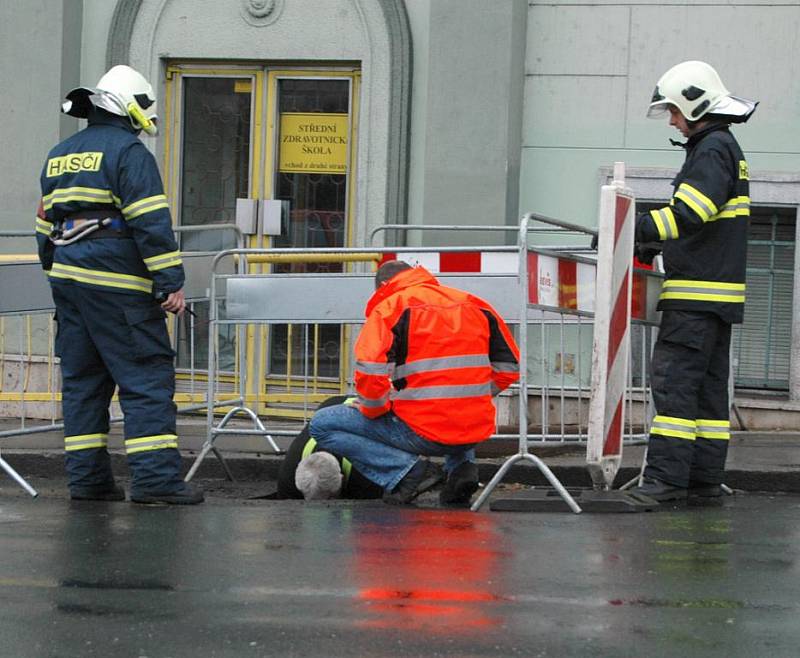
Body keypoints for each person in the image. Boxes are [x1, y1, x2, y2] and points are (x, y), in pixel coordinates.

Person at [37, 65, 203, 504]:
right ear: (129, 105)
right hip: (119, 287)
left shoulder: (60, 153)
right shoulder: (129, 153)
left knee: (84, 384)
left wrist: (57, 271)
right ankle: (156, 482)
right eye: (145, 105)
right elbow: (150, 222)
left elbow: (44, 223)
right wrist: (170, 282)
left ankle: (88, 482)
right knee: (145, 378)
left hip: (70, 285)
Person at [633, 61, 757, 502]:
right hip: (718, 301)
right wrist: (657, 246)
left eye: (673, 111)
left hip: (693, 300)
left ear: (694, 102)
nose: (671, 120)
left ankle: (664, 482)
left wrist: (636, 228)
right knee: (706, 400)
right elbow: (707, 226)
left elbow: (690, 214)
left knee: (675, 391)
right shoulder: (726, 148)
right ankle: (702, 482)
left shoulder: (710, 150)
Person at [309, 260, 520, 506]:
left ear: (384, 285)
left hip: (423, 431)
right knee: (450, 412)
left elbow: (370, 369)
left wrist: (374, 408)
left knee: (322, 424)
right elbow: (509, 368)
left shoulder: (390, 307)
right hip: (474, 429)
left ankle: (408, 472)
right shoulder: (474, 303)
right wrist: (472, 395)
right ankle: (462, 469)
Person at [276, 395, 383, 500]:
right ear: (297, 483)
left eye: (331, 499)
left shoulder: (367, 475)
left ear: (342, 478)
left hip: (376, 413)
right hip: (332, 406)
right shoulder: (289, 472)